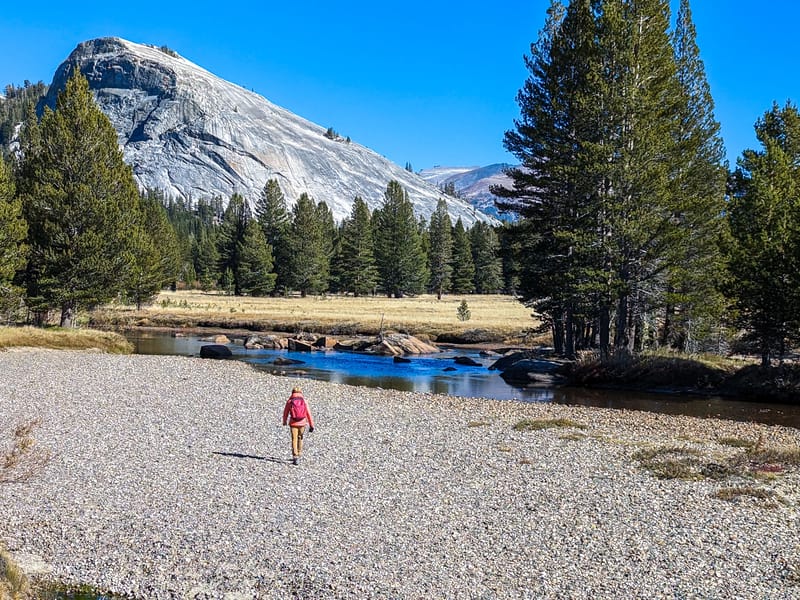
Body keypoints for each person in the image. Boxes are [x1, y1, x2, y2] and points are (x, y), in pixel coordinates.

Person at [282, 386, 314, 465]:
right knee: (300, 438)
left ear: (292, 392)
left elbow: (285, 412)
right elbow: (308, 414)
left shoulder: (290, 401)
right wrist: (311, 425)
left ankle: (295, 456)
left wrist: (284, 421)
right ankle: (299, 453)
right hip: (302, 422)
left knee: (294, 439)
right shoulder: (304, 401)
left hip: (293, 423)